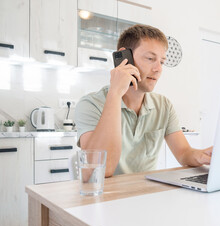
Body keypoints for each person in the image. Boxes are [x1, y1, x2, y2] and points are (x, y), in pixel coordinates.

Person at [75, 24, 212, 177]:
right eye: (150, 58)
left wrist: (202, 156)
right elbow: (100, 169)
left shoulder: (163, 106)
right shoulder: (90, 104)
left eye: (162, 62)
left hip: (145, 194)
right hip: (106, 197)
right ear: (124, 58)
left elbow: (184, 153)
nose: (158, 68)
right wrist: (115, 94)